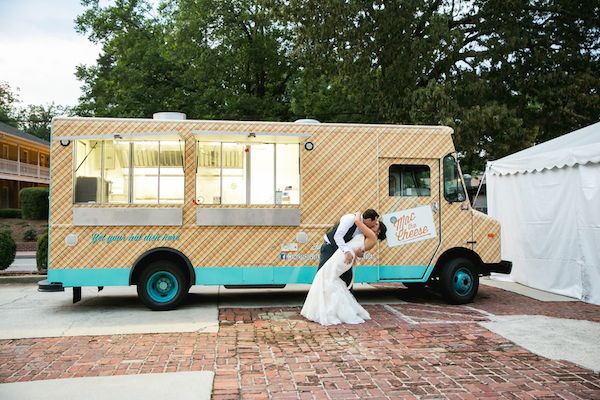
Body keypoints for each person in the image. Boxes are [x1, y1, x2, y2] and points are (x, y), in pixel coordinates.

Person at [301, 212, 387, 325]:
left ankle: (324, 310)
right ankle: (337, 309)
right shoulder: (368, 235)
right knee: (331, 280)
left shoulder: (371, 235)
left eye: (376, 224)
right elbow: (358, 250)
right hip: (344, 254)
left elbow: (357, 222)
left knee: (324, 278)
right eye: (375, 222)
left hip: (345, 256)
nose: (374, 224)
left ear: (378, 231)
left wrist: (357, 215)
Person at [317, 209, 380, 289]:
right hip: (330, 248)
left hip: (343, 253)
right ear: (369, 220)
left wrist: (358, 252)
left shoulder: (362, 227)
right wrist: (346, 252)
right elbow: (338, 236)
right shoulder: (350, 219)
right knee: (323, 274)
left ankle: (347, 296)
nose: (373, 226)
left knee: (347, 278)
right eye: (374, 223)